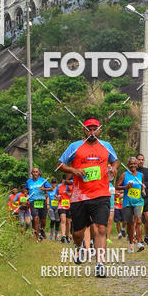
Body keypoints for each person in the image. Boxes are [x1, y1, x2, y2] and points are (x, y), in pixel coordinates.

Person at [58, 117, 118, 278]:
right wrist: (74, 170)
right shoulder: (75, 146)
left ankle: (100, 264)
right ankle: (78, 248)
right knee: (78, 233)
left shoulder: (106, 146)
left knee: (101, 228)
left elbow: (115, 160)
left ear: (99, 130)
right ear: (84, 130)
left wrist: (113, 169)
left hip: (101, 194)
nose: (92, 132)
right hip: (79, 197)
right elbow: (60, 165)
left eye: (95, 129)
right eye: (89, 129)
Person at [117, 157, 145, 252]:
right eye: (131, 164)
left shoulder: (141, 175)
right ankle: (131, 242)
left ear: (137, 165)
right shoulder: (125, 174)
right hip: (127, 202)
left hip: (138, 201)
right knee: (130, 223)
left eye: (134, 164)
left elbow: (142, 186)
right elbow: (117, 186)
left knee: (139, 220)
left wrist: (143, 191)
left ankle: (140, 242)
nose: (133, 165)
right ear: (128, 165)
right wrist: (126, 187)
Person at [25, 167, 52, 242]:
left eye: (36, 172)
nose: (35, 173)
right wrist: (26, 193)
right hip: (33, 201)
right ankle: (38, 236)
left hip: (42, 201)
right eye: (34, 172)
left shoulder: (43, 180)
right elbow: (26, 190)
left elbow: (51, 188)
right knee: (35, 218)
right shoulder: (28, 181)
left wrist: (44, 189)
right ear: (31, 173)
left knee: (43, 221)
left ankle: (42, 229)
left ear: (38, 173)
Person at [136, 152, 148, 247]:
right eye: (139, 159)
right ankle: (139, 241)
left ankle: (147, 237)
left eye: (142, 159)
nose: (140, 161)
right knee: (138, 220)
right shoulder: (133, 171)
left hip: (147, 197)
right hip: (136, 197)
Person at [57, 177, 73, 243]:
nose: (64, 181)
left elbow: (72, 195)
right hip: (61, 205)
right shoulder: (59, 186)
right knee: (63, 220)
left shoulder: (70, 186)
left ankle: (67, 235)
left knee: (68, 222)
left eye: (66, 180)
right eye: (63, 180)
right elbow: (56, 195)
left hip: (69, 205)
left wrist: (67, 193)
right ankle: (63, 236)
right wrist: (57, 198)